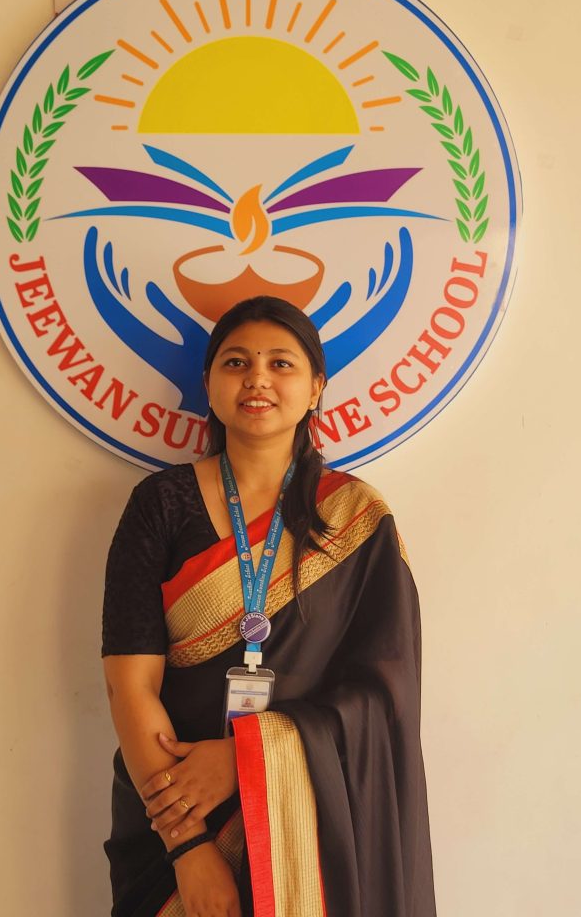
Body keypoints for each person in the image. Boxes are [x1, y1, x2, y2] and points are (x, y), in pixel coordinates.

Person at [102, 296, 436, 917]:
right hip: (169, 810)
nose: (257, 378)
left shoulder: (356, 519)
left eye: (281, 363)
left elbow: (384, 695)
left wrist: (248, 758)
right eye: (236, 362)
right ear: (209, 384)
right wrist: (188, 848)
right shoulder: (159, 505)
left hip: (314, 817)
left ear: (316, 388)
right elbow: (129, 687)